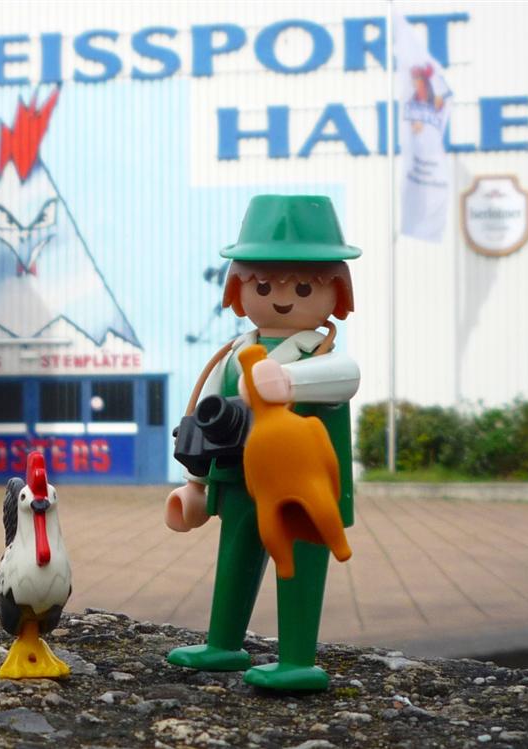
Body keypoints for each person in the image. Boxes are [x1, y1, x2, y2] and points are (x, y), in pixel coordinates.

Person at [165, 194, 361, 691]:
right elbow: (207, 413)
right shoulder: (235, 353)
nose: (281, 298)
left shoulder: (320, 353)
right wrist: (194, 483)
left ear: (337, 291)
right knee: (234, 560)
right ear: (237, 288)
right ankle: (222, 643)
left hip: (304, 489)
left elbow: (346, 378)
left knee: (299, 566)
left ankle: (296, 659)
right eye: (263, 284)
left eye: (303, 286)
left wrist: (287, 383)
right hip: (237, 480)